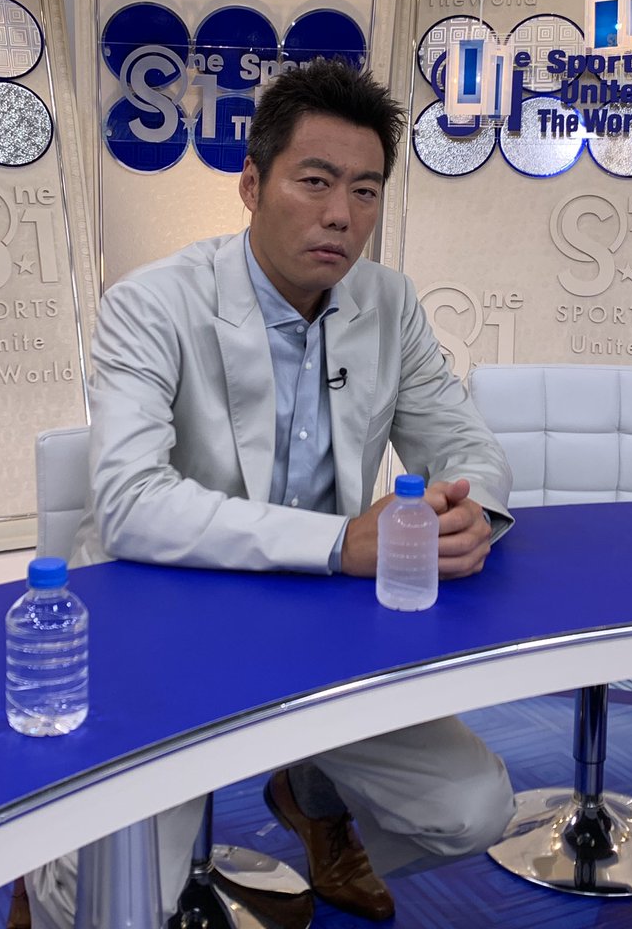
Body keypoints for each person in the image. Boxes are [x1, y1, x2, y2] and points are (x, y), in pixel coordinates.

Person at [27, 59, 515, 928]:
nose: (341, 215)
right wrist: (339, 544)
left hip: (322, 626)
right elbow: (132, 505)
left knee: (472, 810)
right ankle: (47, 866)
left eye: (365, 190)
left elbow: (465, 444)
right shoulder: (151, 304)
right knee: (111, 905)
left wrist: (466, 511)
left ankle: (311, 792)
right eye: (314, 181)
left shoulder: (388, 303)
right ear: (252, 185)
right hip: (163, 621)